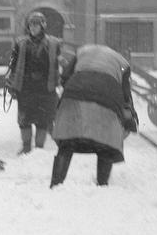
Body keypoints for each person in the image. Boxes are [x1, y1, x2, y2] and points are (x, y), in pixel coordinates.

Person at [50, 44, 138, 188]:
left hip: (74, 92)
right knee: (105, 144)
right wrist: (131, 119)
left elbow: (65, 77)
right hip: (108, 97)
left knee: (67, 143)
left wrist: (74, 88)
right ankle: (102, 184)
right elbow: (125, 96)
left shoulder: (83, 51)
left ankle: (56, 183)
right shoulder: (123, 63)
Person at [7, 11, 61, 154]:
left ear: (42, 26)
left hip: (45, 88)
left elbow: (57, 66)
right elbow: (13, 65)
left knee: (42, 120)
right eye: (31, 24)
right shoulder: (20, 43)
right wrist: (12, 83)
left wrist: (56, 85)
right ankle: (26, 147)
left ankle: (39, 148)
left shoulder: (54, 44)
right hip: (26, 88)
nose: (33, 27)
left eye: (36, 25)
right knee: (24, 119)